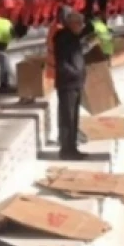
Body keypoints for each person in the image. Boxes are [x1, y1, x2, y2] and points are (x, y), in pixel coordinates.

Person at [52, 9, 99, 160]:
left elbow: (77, 54)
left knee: (73, 118)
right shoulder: (64, 38)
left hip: (75, 83)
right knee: (67, 118)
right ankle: (66, 150)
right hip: (68, 84)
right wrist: (75, 73)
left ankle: (72, 148)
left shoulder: (72, 38)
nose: (82, 26)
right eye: (79, 23)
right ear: (71, 24)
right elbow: (62, 63)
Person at [0, 16, 28, 94]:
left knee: (5, 57)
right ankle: (4, 85)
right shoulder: (6, 36)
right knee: (4, 59)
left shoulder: (7, 22)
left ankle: (5, 83)